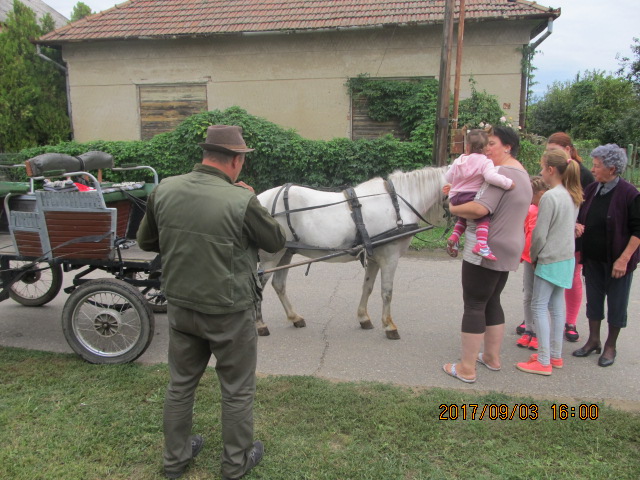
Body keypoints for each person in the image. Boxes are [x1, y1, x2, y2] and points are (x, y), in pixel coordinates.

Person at [137, 125, 286, 479]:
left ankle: (175, 461)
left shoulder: (165, 189)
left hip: (181, 306)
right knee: (236, 390)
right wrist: (250, 200)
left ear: (205, 155)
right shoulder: (241, 199)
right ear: (236, 161)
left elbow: (146, 242)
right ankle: (235, 465)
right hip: (229, 312)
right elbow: (275, 241)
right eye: (242, 160)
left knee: (180, 384)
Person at [442, 126, 532, 383]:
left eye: (492, 143)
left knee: (474, 304)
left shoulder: (500, 173)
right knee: (492, 301)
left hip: (486, 248)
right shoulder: (521, 172)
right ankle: (491, 357)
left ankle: (467, 368)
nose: (486, 148)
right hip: (509, 245)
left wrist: (451, 204)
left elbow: (480, 208)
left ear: (508, 146)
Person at [573, 144, 640, 367]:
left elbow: (638, 230)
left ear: (612, 169)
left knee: (617, 303)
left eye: (597, 166)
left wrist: (624, 259)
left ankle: (610, 346)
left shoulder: (630, 194)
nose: (592, 169)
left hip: (617, 262)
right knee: (593, 301)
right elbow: (582, 215)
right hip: (593, 258)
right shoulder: (593, 189)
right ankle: (593, 340)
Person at [516, 150, 582, 375]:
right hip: (566, 259)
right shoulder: (572, 195)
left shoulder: (550, 197)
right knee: (556, 307)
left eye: (543, 167)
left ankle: (543, 360)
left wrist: (534, 256)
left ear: (551, 170)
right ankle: (554, 355)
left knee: (539, 306)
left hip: (549, 259)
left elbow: (540, 234)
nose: (541, 171)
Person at [546, 132, 595, 343]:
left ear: (567, 149)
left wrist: (576, 223)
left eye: (554, 151)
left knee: (572, 277)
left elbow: (588, 204)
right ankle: (535, 319)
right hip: (553, 232)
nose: (549, 155)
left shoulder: (584, 175)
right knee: (544, 277)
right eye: (548, 152)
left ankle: (571, 321)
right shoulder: (550, 171)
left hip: (575, 234)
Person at [445, 129, 514, 260]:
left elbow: (448, 177)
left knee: (463, 218)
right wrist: (508, 183)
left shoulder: (459, 160)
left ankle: (454, 236)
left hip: (455, 197)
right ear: (486, 148)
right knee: (483, 218)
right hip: (471, 196)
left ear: (467, 147)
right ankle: (481, 244)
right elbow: (490, 177)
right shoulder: (485, 161)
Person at [516, 176, 549, 351]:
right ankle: (528, 329)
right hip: (529, 258)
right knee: (528, 294)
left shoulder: (547, 208)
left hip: (542, 259)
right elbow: (524, 230)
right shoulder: (530, 209)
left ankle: (538, 333)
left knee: (540, 298)